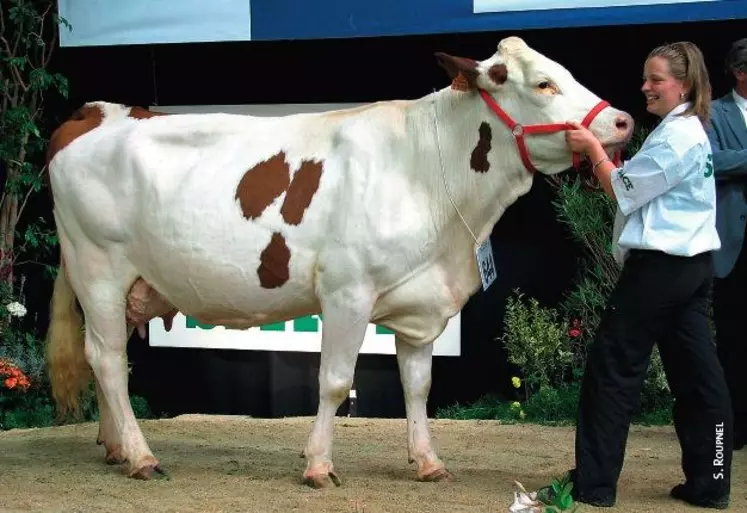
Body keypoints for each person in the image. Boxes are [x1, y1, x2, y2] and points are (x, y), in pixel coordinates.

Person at [562, 41, 733, 509]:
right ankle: (711, 483)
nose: (645, 87)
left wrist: (593, 146)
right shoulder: (689, 130)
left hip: (659, 268)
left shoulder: (676, 136)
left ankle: (594, 486)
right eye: (645, 78)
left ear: (683, 83)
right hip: (692, 268)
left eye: (656, 79)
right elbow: (639, 184)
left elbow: (621, 191)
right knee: (699, 377)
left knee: (612, 370)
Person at [707, 37, 747, 454]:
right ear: (740, 72)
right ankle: (733, 427)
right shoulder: (714, 113)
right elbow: (709, 161)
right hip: (734, 244)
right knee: (734, 337)